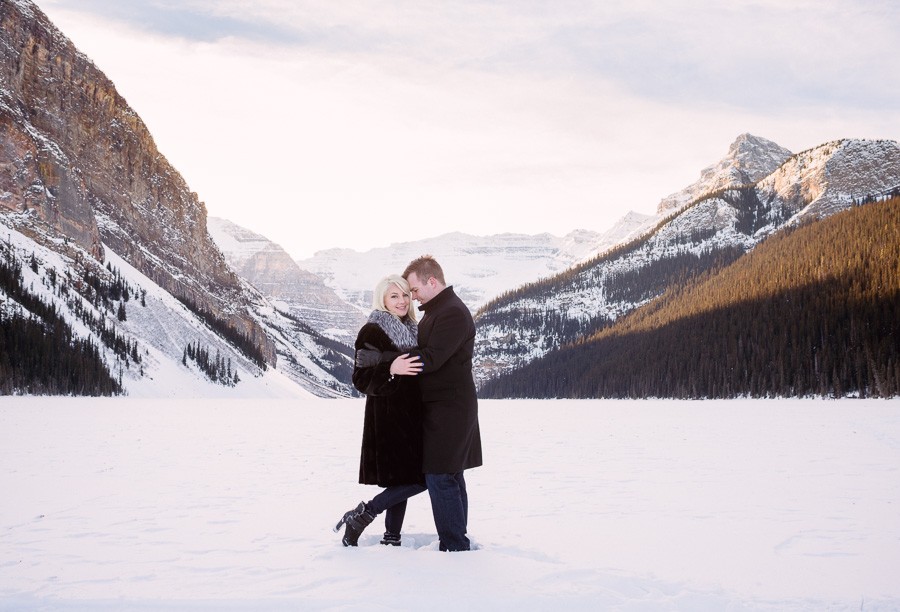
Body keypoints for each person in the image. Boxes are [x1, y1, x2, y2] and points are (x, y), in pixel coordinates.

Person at [333, 274, 426, 547]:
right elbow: (360, 379)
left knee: (403, 480)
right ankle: (366, 513)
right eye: (394, 296)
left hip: (413, 418)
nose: (401, 301)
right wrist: (390, 368)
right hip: (389, 420)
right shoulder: (372, 331)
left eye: (405, 295)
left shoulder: (413, 328)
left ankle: (391, 537)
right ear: (382, 300)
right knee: (419, 479)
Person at [400, 255, 482, 552]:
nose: (413, 297)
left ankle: (454, 545)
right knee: (450, 474)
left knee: (441, 475)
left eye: (414, 289)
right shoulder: (440, 310)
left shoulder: (451, 313)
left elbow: (433, 358)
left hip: (450, 409)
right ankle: (456, 542)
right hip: (446, 407)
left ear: (431, 281)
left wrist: (391, 363)